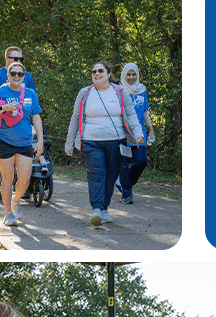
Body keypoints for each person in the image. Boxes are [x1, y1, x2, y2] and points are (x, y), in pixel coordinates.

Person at [65, 61, 144, 227]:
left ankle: (104, 209)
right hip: (90, 141)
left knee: (111, 176)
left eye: (100, 70)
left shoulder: (120, 92)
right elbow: (75, 118)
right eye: (93, 71)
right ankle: (96, 209)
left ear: (109, 74)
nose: (96, 73)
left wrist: (138, 134)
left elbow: (131, 115)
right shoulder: (85, 93)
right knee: (97, 174)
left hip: (117, 142)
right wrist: (69, 142)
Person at [0, 62, 44, 226]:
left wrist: (40, 140)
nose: (17, 77)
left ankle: (15, 201)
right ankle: (8, 213)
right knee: (7, 178)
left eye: (20, 74)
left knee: (25, 178)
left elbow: (36, 117)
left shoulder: (30, 93)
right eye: (13, 73)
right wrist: (2, 108)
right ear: (8, 75)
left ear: (24, 77)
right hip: (3, 140)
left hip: (24, 142)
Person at [0, 46, 36, 191]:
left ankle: (17, 182)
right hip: (0, 120)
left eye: (21, 59)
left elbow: (32, 96)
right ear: (7, 59)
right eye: (15, 58)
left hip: (20, 121)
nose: (19, 61)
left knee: (20, 152)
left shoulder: (27, 75)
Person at [116, 62, 155, 204]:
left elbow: (145, 111)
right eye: (128, 74)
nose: (131, 77)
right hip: (124, 134)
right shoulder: (119, 90)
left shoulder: (142, 90)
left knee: (141, 161)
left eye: (133, 74)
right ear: (124, 75)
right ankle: (127, 195)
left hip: (140, 134)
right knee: (125, 163)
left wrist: (150, 127)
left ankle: (125, 184)